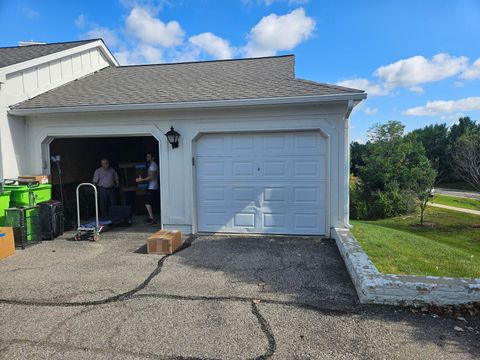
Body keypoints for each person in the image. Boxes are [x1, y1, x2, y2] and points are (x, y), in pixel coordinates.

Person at [136, 153, 159, 225]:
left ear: (153, 158)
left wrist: (141, 180)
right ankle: (150, 217)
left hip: (152, 186)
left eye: (149, 156)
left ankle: (152, 219)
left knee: (147, 202)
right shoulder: (151, 165)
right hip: (151, 186)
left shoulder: (153, 165)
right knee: (148, 202)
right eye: (147, 156)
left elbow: (151, 177)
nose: (147, 157)